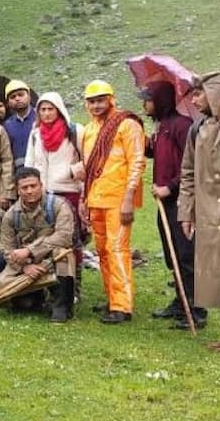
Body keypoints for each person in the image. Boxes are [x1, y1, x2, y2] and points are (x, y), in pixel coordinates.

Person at [81, 80, 146, 324]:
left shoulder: (126, 124)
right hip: (95, 198)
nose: (96, 105)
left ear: (111, 99)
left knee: (118, 250)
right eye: (92, 101)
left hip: (119, 199)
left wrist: (129, 197)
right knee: (103, 252)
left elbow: (137, 162)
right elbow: (89, 168)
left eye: (100, 100)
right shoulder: (89, 130)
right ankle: (112, 298)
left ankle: (122, 306)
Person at [138, 81, 200, 328]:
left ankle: (196, 310)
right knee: (170, 252)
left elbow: (193, 164)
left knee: (186, 254)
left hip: (181, 201)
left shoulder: (182, 126)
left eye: (148, 99)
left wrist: (169, 187)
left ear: (161, 100)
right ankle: (180, 300)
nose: (144, 104)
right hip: (165, 203)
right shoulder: (163, 127)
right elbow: (159, 154)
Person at [24, 92, 85, 299]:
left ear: (58, 110)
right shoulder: (35, 135)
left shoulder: (74, 132)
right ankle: (50, 285)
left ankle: (73, 287)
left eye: (51, 109)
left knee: (71, 240)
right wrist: (29, 187)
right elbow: (29, 164)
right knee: (45, 238)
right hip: (43, 192)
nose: (47, 113)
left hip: (68, 191)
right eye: (43, 109)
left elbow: (87, 160)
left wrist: (70, 172)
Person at [0, 167, 76, 323]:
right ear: (18, 190)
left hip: (51, 259)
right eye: (24, 188)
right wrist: (25, 267)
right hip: (25, 264)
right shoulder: (11, 215)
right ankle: (33, 298)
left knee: (64, 255)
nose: (30, 191)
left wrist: (30, 251)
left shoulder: (58, 206)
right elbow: (6, 248)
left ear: (41, 185)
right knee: (1, 283)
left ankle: (62, 306)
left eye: (34, 186)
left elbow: (64, 237)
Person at [178, 72, 219, 332]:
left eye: (199, 93)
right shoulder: (199, 129)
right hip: (208, 215)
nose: (194, 100)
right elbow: (188, 172)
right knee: (215, 272)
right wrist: (186, 212)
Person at [4, 80, 36, 171]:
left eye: (21, 95)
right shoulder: (7, 125)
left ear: (29, 96)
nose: (17, 99)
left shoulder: (40, 117)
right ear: (8, 103)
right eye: (13, 97)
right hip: (19, 173)